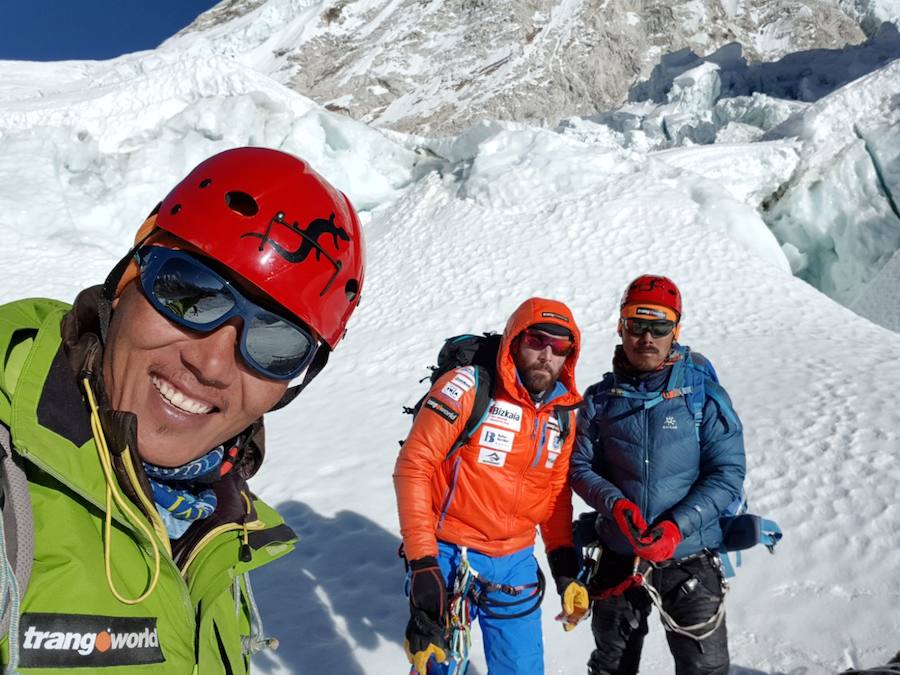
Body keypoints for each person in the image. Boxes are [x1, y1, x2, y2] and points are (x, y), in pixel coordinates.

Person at [0, 147, 365, 673]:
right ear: (128, 277)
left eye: (276, 341)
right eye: (188, 292)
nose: (212, 363)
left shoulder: (213, 521)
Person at [394, 298, 589, 675]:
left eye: (560, 346)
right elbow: (413, 467)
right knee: (440, 668)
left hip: (515, 561)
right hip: (450, 554)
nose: (547, 354)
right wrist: (422, 564)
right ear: (515, 341)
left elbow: (556, 494)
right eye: (536, 340)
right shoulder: (467, 387)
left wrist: (564, 567)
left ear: (570, 355)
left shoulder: (562, 414)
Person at [570, 275, 745, 675]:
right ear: (621, 326)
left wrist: (675, 528)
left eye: (660, 325)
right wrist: (615, 506)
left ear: (676, 331)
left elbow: (727, 472)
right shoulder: (600, 400)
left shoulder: (703, 396)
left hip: (689, 558)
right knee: (612, 665)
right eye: (636, 323)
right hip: (619, 552)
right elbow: (578, 467)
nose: (647, 337)